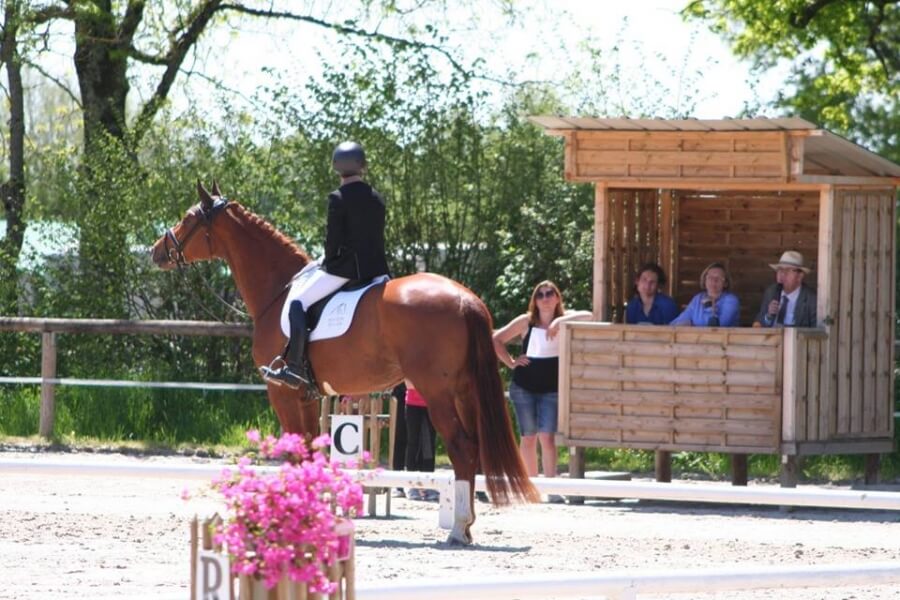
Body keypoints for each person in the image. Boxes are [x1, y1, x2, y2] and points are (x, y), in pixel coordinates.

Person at [261, 141, 391, 388]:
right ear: (362, 166)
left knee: (298, 302)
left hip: (346, 270)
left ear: (336, 167)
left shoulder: (338, 198)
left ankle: (296, 368)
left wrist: (326, 263)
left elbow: (333, 243)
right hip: (377, 270)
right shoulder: (377, 198)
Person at [492, 280, 592, 503]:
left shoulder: (565, 320)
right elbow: (496, 340)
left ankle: (551, 486)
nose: (545, 298)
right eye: (540, 294)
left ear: (557, 297)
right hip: (524, 387)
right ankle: (531, 486)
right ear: (534, 300)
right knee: (528, 437)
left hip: (551, 388)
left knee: (547, 438)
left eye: (550, 294)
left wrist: (559, 321)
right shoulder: (526, 321)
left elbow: (590, 315)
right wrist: (510, 362)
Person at [753, 250, 817, 328]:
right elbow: (757, 324)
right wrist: (768, 316)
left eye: (788, 270)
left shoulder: (811, 299)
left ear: (800, 276)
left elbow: (816, 330)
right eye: (780, 269)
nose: (782, 274)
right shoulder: (771, 291)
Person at [670, 262, 740, 327]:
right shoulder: (698, 298)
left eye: (718, 278)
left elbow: (717, 327)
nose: (714, 280)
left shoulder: (731, 300)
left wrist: (708, 306)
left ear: (725, 283)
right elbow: (676, 323)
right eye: (710, 277)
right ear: (704, 280)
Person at [402, 380, 439, 502]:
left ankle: (429, 483)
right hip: (413, 403)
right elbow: (408, 382)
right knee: (413, 442)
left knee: (429, 443)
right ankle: (411, 484)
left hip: (431, 403)